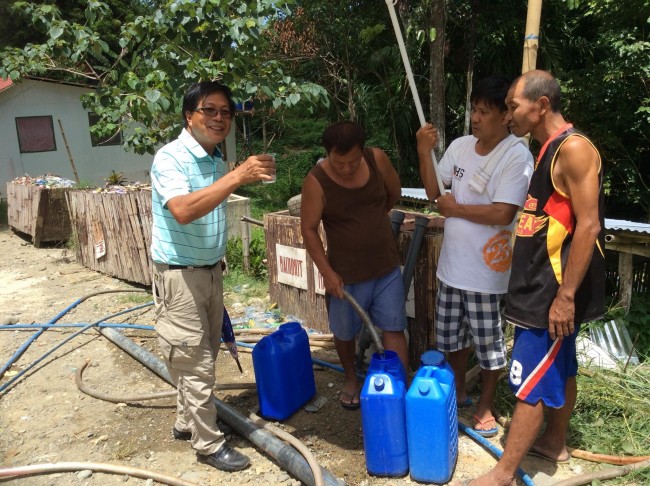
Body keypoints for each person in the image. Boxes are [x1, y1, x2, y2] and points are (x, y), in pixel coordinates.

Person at [461, 70, 605, 486]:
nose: (508, 116)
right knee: (562, 368)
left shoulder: (573, 150)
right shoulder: (546, 150)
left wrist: (566, 296)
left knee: (530, 381)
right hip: (541, 288)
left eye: (512, 106)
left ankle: (504, 473)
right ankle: (555, 441)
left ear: (541, 105)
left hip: (550, 294)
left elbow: (590, 226)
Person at [150, 81, 275, 472]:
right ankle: (208, 444)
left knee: (203, 350)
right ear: (190, 116)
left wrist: (231, 174)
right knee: (195, 360)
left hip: (208, 271)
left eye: (226, 112)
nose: (220, 118)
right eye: (210, 110)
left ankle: (187, 422)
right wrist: (238, 176)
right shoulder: (169, 158)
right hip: (179, 276)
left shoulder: (213, 160)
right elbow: (184, 210)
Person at [416, 76, 534, 437]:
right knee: (452, 339)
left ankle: (485, 405)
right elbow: (435, 190)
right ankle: (460, 391)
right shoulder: (461, 146)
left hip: (487, 275)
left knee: (490, 346)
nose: (475, 118)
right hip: (452, 268)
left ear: (505, 117)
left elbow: (503, 213)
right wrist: (424, 151)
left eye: (484, 111)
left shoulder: (517, 155)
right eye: (474, 110)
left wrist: (455, 209)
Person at [300, 121, 409, 410]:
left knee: (394, 328)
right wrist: (328, 273)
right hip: (345, 276)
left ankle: (400, 386)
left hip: (385, 266)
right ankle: (351, 377)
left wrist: (371, 219)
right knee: (344, 332)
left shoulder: (377, 160)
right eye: (339, 162)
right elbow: (308, 229)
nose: (347, 168)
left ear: (363, 151)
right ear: (327, 154)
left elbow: (393, 193)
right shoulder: (316, 181)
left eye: (353, 161)